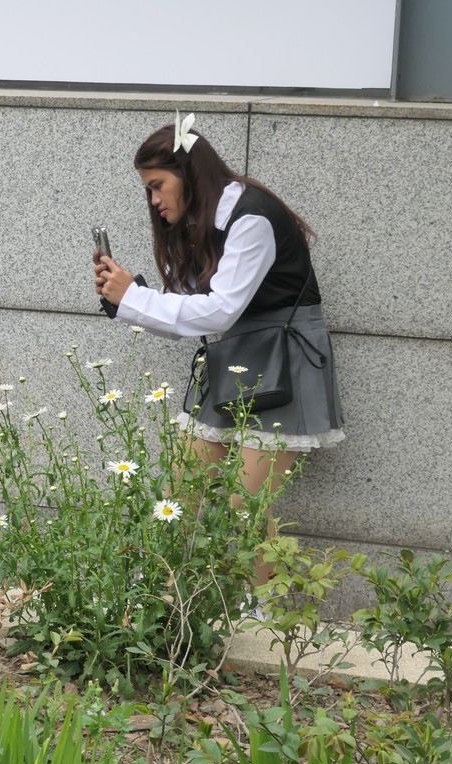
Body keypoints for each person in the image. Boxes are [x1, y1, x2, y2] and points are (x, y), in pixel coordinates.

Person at [93, 113, 344, 582]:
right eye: (148, 189)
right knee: (178, 494)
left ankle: (259, 613)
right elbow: (194, 312)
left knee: (245, 508)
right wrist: (126, 298)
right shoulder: (200, 224)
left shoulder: (251, 217)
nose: (153, 200)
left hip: (284, 355)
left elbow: (219, 311)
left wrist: (134, 298)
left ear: (188, 173)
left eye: (157, 185)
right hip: (236, 356)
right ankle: (163, 600)